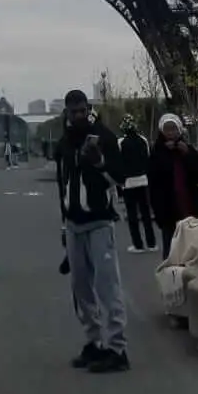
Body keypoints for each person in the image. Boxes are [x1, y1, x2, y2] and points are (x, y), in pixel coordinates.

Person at [55, 89, 129, 373]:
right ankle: (95, 342)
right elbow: (62, 186)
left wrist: (99, 162)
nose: (78, 115)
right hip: (74, 224)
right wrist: (64, 225)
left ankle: (117, 348)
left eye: (82, 110)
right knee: (81, 289)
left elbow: (119, 179)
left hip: (99, 222)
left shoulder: (105, 138)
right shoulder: (64, 143)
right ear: (67, 112)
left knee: (107, 287)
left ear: (88, 109)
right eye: (73, 111)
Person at [148, 113, 198, 260]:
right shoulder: (156, 153)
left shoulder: (188, 150)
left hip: (190, 208)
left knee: (195, 253)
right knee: (172, 254)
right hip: (168, 212)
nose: (170, 133)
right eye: (167, 130)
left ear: (180, 130)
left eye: (174, 129)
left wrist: (187, 154)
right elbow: (153, 184)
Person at [115, 116, 155, 254]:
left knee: (132, 215)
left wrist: (120, 184)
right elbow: (148, 158)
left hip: (128, 183)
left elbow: (118, 163)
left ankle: (138, 245)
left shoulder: (120, 142)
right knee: (146, 214)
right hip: (143, 180)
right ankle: (152, 243)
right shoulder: (143, 140)